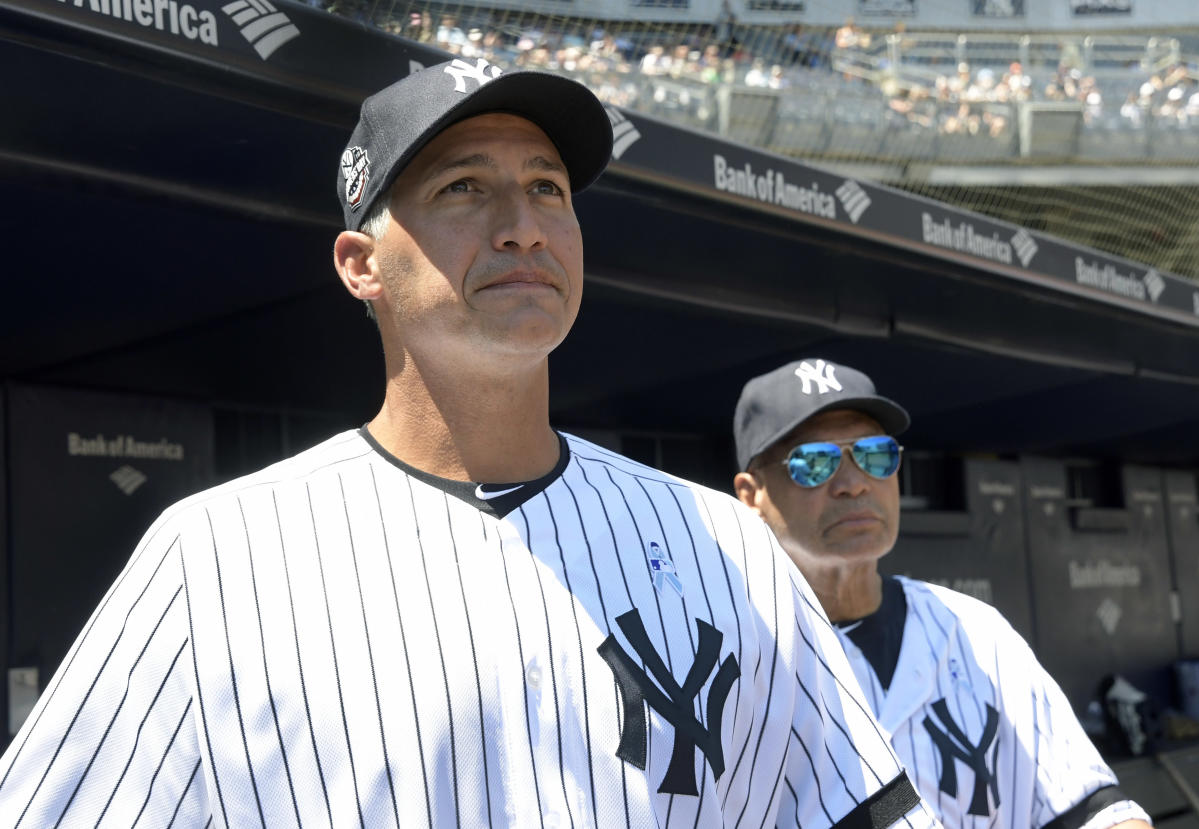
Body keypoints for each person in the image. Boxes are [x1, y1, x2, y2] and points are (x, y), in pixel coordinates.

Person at [0, 62, 936, 827]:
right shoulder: (211, 555)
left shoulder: (728, 546)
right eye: (463, 187)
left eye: (546, 187)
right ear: (360, 265)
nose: (522, 225)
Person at [731, 358, 1155, 829]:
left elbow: (1098, 812)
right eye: (815, 461)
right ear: (752, 496)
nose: (853, 484)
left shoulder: (977, 631)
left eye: (874, 455)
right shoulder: (727, 652)